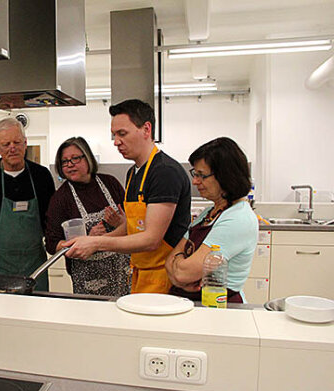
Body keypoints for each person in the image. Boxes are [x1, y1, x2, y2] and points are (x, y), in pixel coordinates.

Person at [64, 99, 191, 294]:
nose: (116, 142)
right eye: (114, 135)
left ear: (146, 130)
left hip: (164, 276)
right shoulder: (133, 173)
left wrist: (97, 242)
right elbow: (130, 227)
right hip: (139, 272)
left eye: (122, 134)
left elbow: (151, 239)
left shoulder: (164, 172)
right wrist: (91, 244)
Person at [165, 137, 258, 303]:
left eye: (201, 175)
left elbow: (181, 272)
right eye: (195, 174)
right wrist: (180, 276)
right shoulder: (209, 212)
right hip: (191, 301)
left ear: (225, 176)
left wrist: (179, 270)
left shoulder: (238, 219)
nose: (195, 181)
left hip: (217, 307)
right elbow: (169, 262)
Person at [0, 117, 55, 290]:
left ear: (25, 143)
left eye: (17, 142)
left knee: (36, 309)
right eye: (6, 144)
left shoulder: (41, 176)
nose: (12, 148)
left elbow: (51, 212)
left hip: (34, 262)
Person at [45, 137, 131, 296]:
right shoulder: (61, 198)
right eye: (64, 161)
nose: (70, 164)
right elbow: (52, 244)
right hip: (89, 279)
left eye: (75, 158)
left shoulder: (110, 183)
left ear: (88, 157)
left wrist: (122, 223)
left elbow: (133, 224)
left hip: (123, 271)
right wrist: (83, 239)